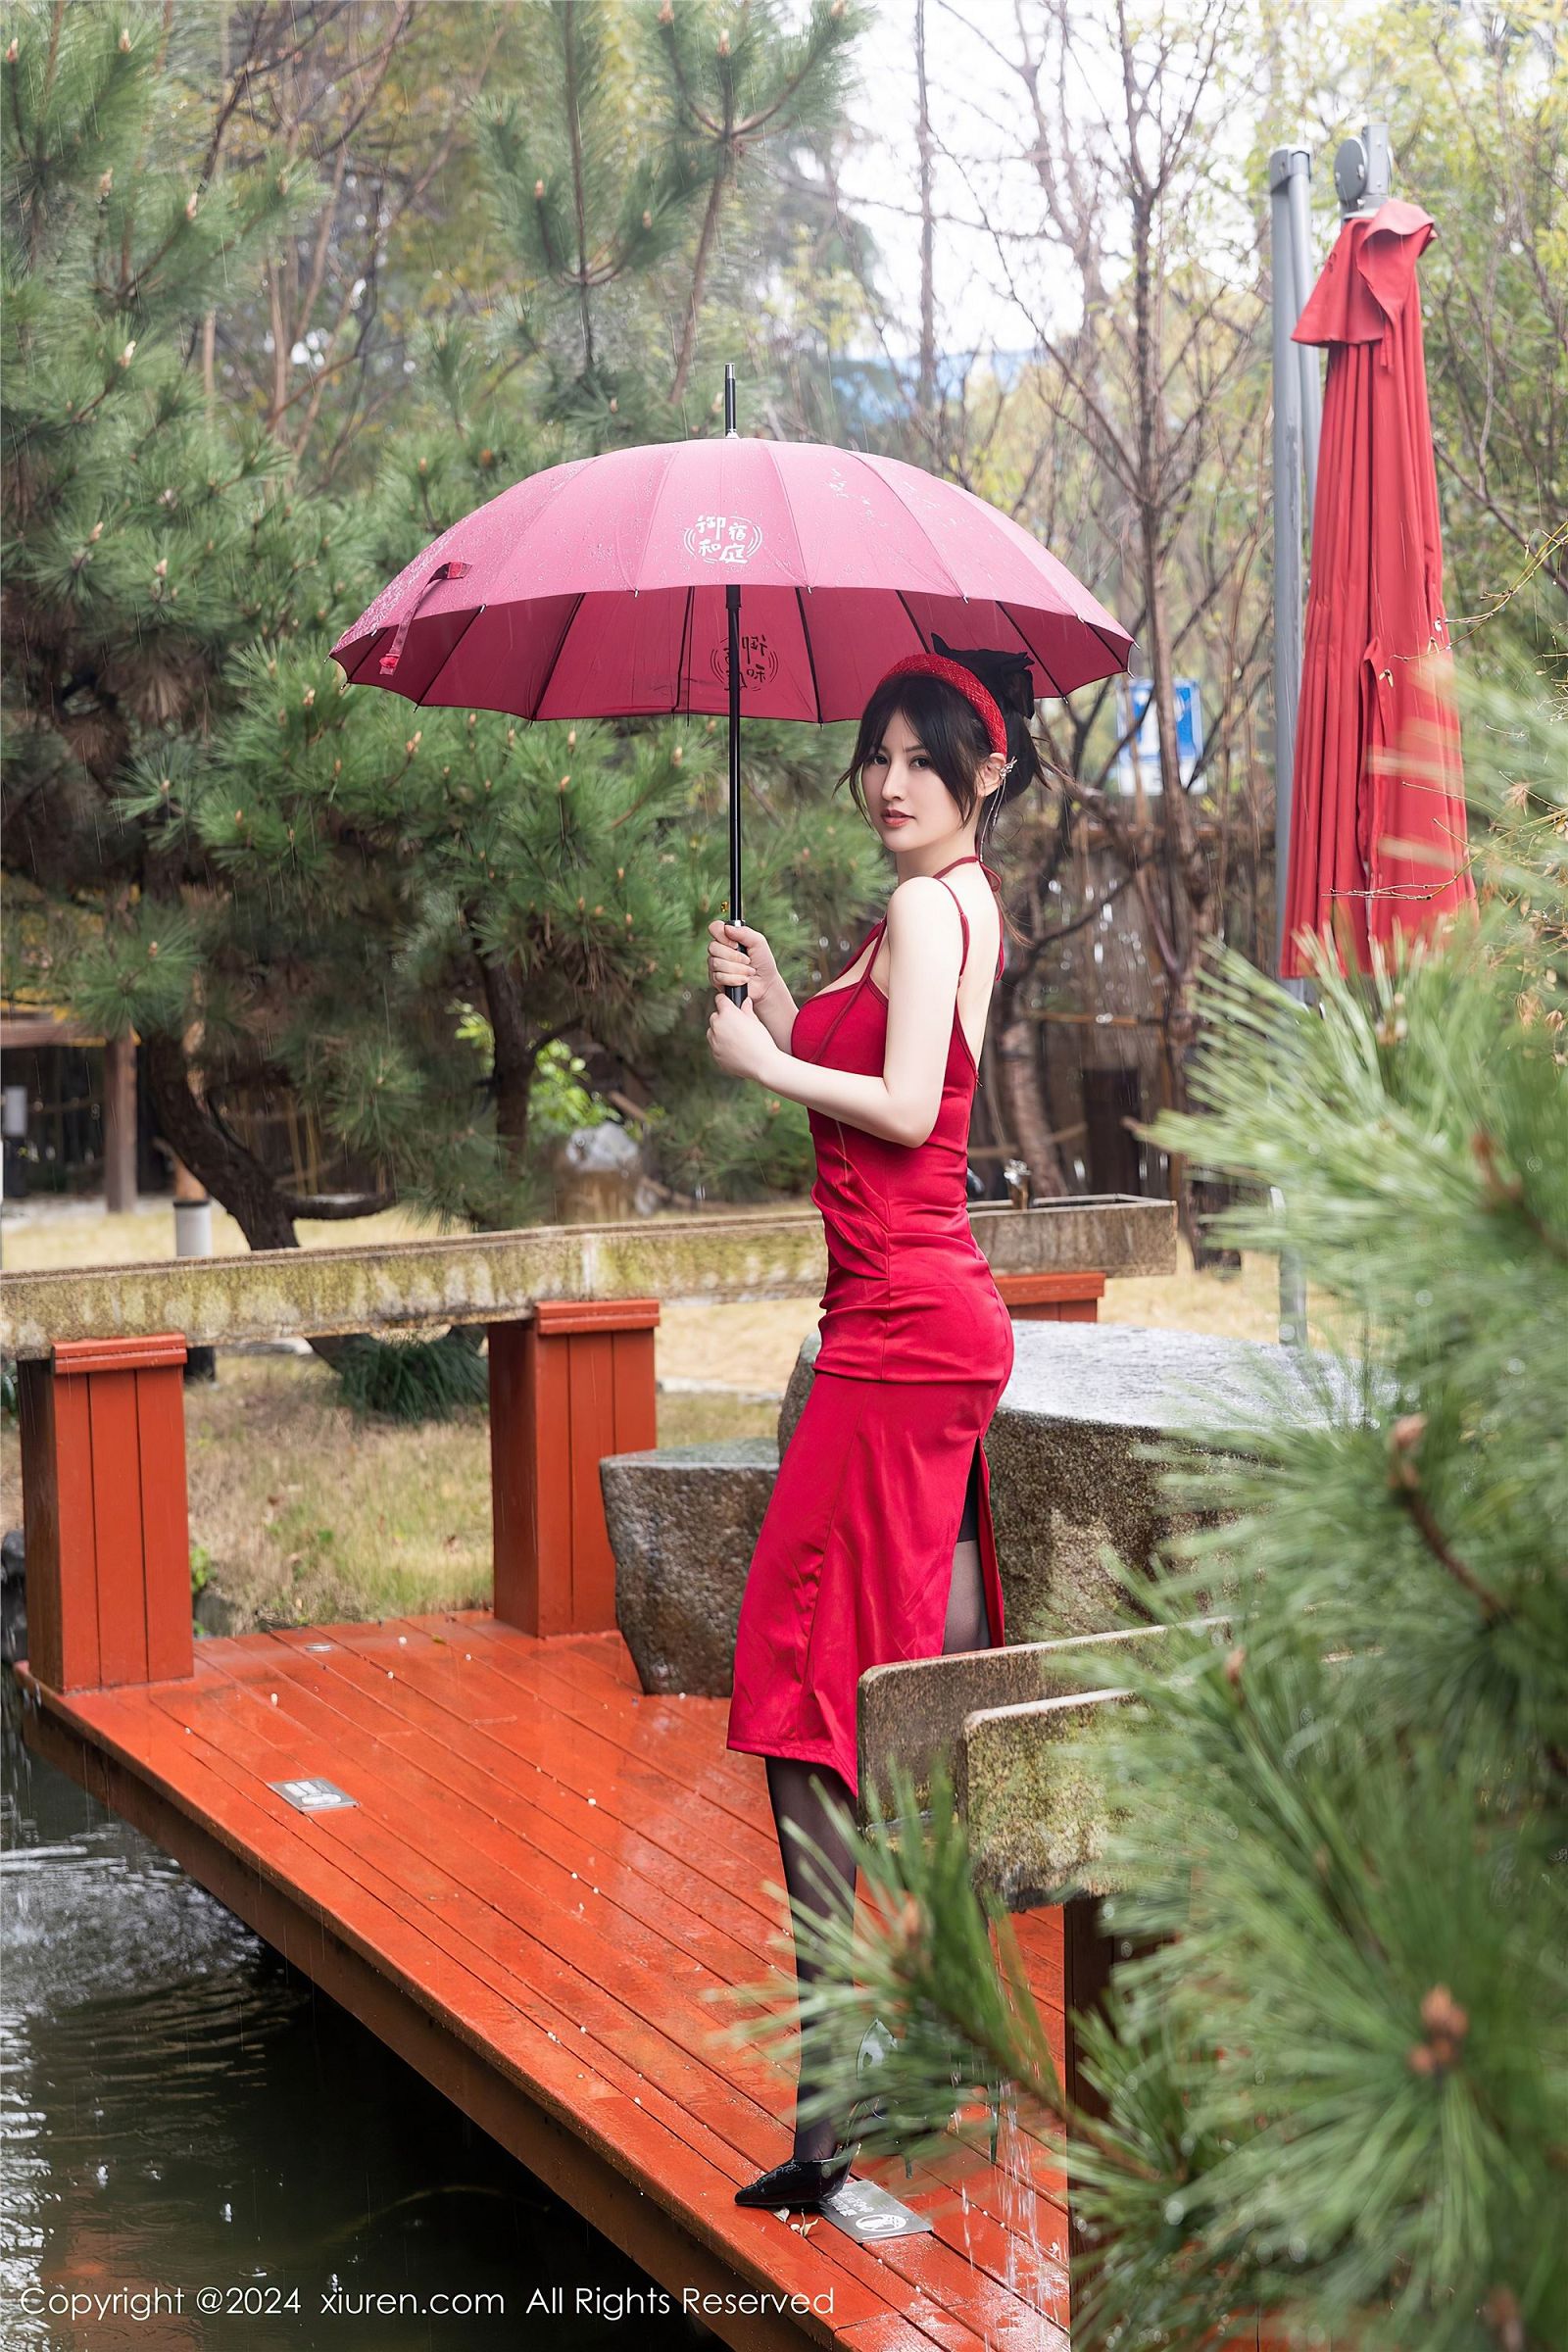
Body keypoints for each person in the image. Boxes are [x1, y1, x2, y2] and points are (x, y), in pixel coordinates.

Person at [704, 636, 1044, 2214]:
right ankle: (887, 2052)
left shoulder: (923, 907)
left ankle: (846, 2089)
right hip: (914, 1323)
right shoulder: (954, 903)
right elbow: (906, 1069)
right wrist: (787, 996)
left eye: (924, 758)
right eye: (878, 756)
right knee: (869, 1694)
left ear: (984, 774)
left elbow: (907, 1113)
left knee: (799, 1692)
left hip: (899, 1332)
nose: (891, 782)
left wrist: (768, 1058)